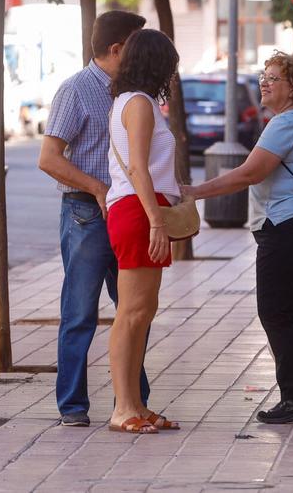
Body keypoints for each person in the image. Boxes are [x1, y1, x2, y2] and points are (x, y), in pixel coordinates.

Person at [183, 52, 293, 424]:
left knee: (276, 312)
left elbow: (249, 173)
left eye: (274, 78)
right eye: (264, 76)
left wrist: (193, 191)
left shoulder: (286, 124)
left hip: (288, 228)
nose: (264, 82)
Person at [37, 10, 150, 428]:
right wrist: (98, 188)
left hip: (126, 213)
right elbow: (49, 158)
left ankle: (134, 402)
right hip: (87, 213)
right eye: (136, 45)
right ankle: (72, 405)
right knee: (80, 312)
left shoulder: (136, 91)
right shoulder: (77, 90)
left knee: (134, 309)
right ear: (116, 48)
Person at [103, 29, 182, 435]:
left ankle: (135, 403)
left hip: (143, 209)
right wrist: (155, 220)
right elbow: (137, 168)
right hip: (137, 211)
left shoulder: (137, 102)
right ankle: (122, 407)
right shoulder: (137, 104)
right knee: (131, 313)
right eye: (169, 63)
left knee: (143, 311)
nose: (172, 71)